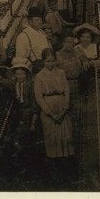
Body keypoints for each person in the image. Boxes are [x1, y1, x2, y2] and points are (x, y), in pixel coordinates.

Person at [34, 48, 75, 185]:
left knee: (65, 136)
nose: (50, 64)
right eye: (48, 61)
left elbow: (67, 91)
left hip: (61, 106)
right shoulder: (39, 76)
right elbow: (39, 97)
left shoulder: (61, 73)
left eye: (53, 61)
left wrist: (64, 108)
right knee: (52, 138)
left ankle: (67, 171)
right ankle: (55, 173)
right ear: (43, 62)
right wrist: (49, 113)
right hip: (49, 109)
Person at [10, 58, 38, 155]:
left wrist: (34, 120)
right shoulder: (15, 84)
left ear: (26, 74)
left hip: (29, 111)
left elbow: (34, 102)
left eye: (22, 74)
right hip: (20, 111)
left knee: (28, 131)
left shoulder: (30, 85)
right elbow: (5, 82)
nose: (20, 76)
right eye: (17, 74)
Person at [15, 6, 51, 74]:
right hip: (35, 70)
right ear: (30, 21)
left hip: (48, 67)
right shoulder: (23, 36)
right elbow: (20, 59)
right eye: (37, 20)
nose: (40, 22)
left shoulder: (41, 32)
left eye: (40, 19)